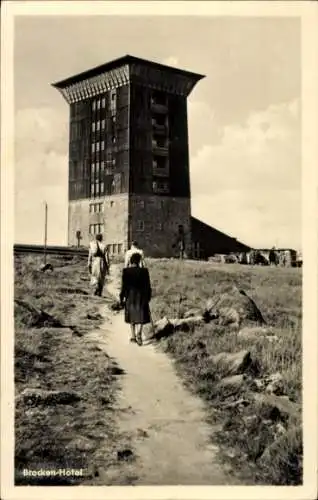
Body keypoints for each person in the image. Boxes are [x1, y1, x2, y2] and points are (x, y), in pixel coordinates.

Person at [119, 252, 152, 346]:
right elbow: (148, 286)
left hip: (130, 295)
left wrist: (121, 297)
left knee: (131, 315)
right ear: (139, 261)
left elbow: (123, 286)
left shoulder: (126, 271)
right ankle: (139, 334)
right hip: (141, 295)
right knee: (141, 314)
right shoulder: (144, 271)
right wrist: (148, 296)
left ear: (131, 261)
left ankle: (133, 336)